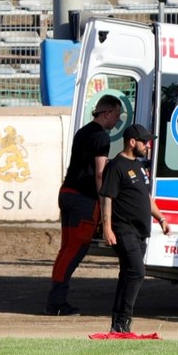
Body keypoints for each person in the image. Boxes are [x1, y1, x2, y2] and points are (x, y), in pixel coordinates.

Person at [45, 94, 122, 316]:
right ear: (106, 113)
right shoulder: (101, 137)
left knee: (66, 249)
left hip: (67, 193)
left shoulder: (83, 132)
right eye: (116, 115)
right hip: (83, 200)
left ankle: (56, 299)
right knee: (75, 250)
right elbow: (100, 174)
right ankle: (56, 302)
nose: (117, 120)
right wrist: (104, 202)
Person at [100, 124, 170, 333]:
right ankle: (124, 320)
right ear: (132, 142)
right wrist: (107, 228)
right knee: (137, 272)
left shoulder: (139, 166)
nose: (148, 145)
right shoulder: (116, 166)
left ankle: (118, 325)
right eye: (144, 142)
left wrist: (161, 218)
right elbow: (107, 198)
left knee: (127, 275)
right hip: (123, 229)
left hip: (140, 232)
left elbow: (146, 198)